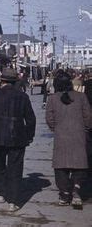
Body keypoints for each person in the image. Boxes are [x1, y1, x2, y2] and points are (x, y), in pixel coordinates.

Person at [0, 68, 36, 212]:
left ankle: (1, 193)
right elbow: (31, 119)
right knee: (15, 168)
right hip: (18, 136)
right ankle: (13, 201)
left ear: (1, 80)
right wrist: (29, 136)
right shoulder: (22, 96)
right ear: (15, 81)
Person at [46, 70, 91, 207]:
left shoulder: (53, 99)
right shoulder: (81, 97)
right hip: (79, 135)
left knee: (61, 167)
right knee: (79, 165)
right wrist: (85, 128)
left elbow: (49, 119)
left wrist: (56, 129)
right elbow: (88, 117)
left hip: (61, 136)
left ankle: (65, 194)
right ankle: (76, 190)